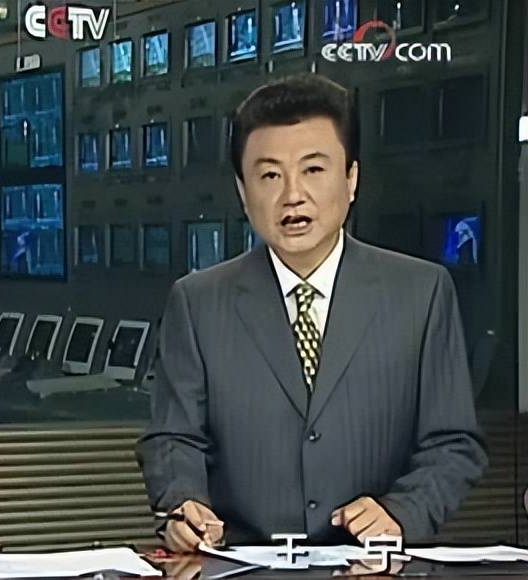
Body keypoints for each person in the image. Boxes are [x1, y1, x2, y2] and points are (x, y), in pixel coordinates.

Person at [137, 74, 487, 551]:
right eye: (270, 176)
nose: (292, 195)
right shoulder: (198, 302)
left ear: (352, 179)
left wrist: (402, 512)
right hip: (242, 563)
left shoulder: (420, 293)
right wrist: (184, 504)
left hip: (373, 564)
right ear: (243, 192)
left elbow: (453, 443)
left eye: (314, 170)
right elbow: (173, 438)